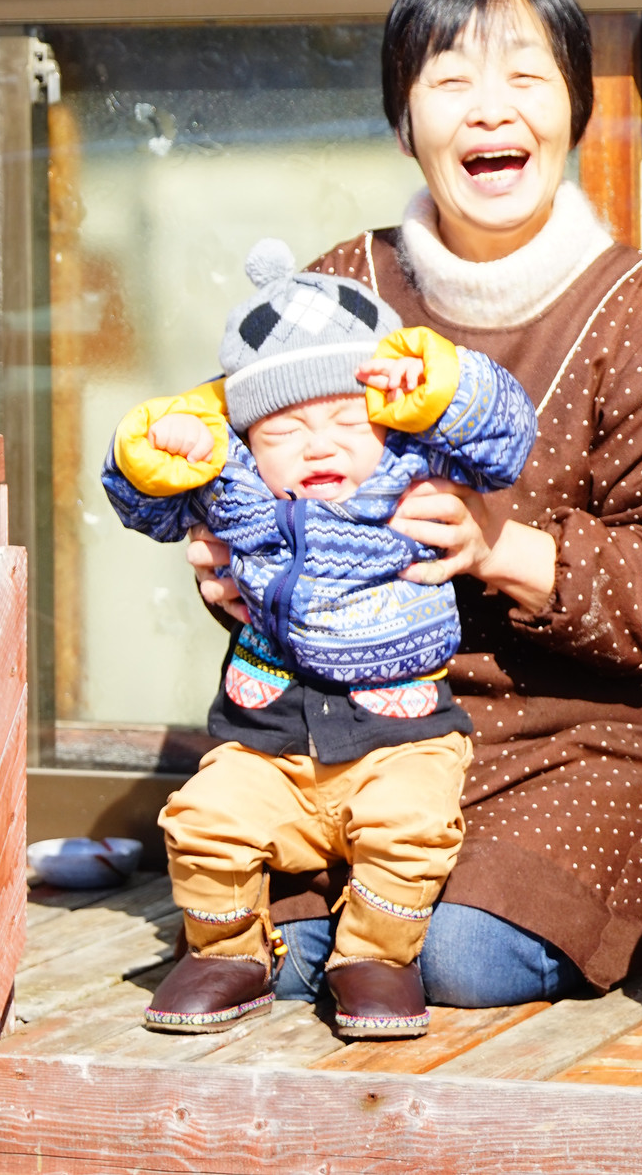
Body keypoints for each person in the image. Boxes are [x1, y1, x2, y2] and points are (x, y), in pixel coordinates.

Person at [189, 0, 642, 1012]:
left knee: (455, 958)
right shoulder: (338, 291)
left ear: (576, 109)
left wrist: (501, 547)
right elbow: (235, 467)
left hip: (582, 739)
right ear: (406, 122)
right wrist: (226, 555)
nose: (491, 110)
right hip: (350, 727)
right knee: (285, 951)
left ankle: (612, 904)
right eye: (451, 82)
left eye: (526, 78)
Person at [102, 249, 536, 1036]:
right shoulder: (233, 487)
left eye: (347, 422)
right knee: (203, 821)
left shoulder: (412, 467)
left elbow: (505, 434)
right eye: (285, 429)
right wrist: (164, 442)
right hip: (270, 744)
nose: (320, 446)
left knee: (410, 828)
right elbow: (141, 503)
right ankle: (227, 954)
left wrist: (441, 384)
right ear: (247, 440)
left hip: (400, 739)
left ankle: (375, 958)